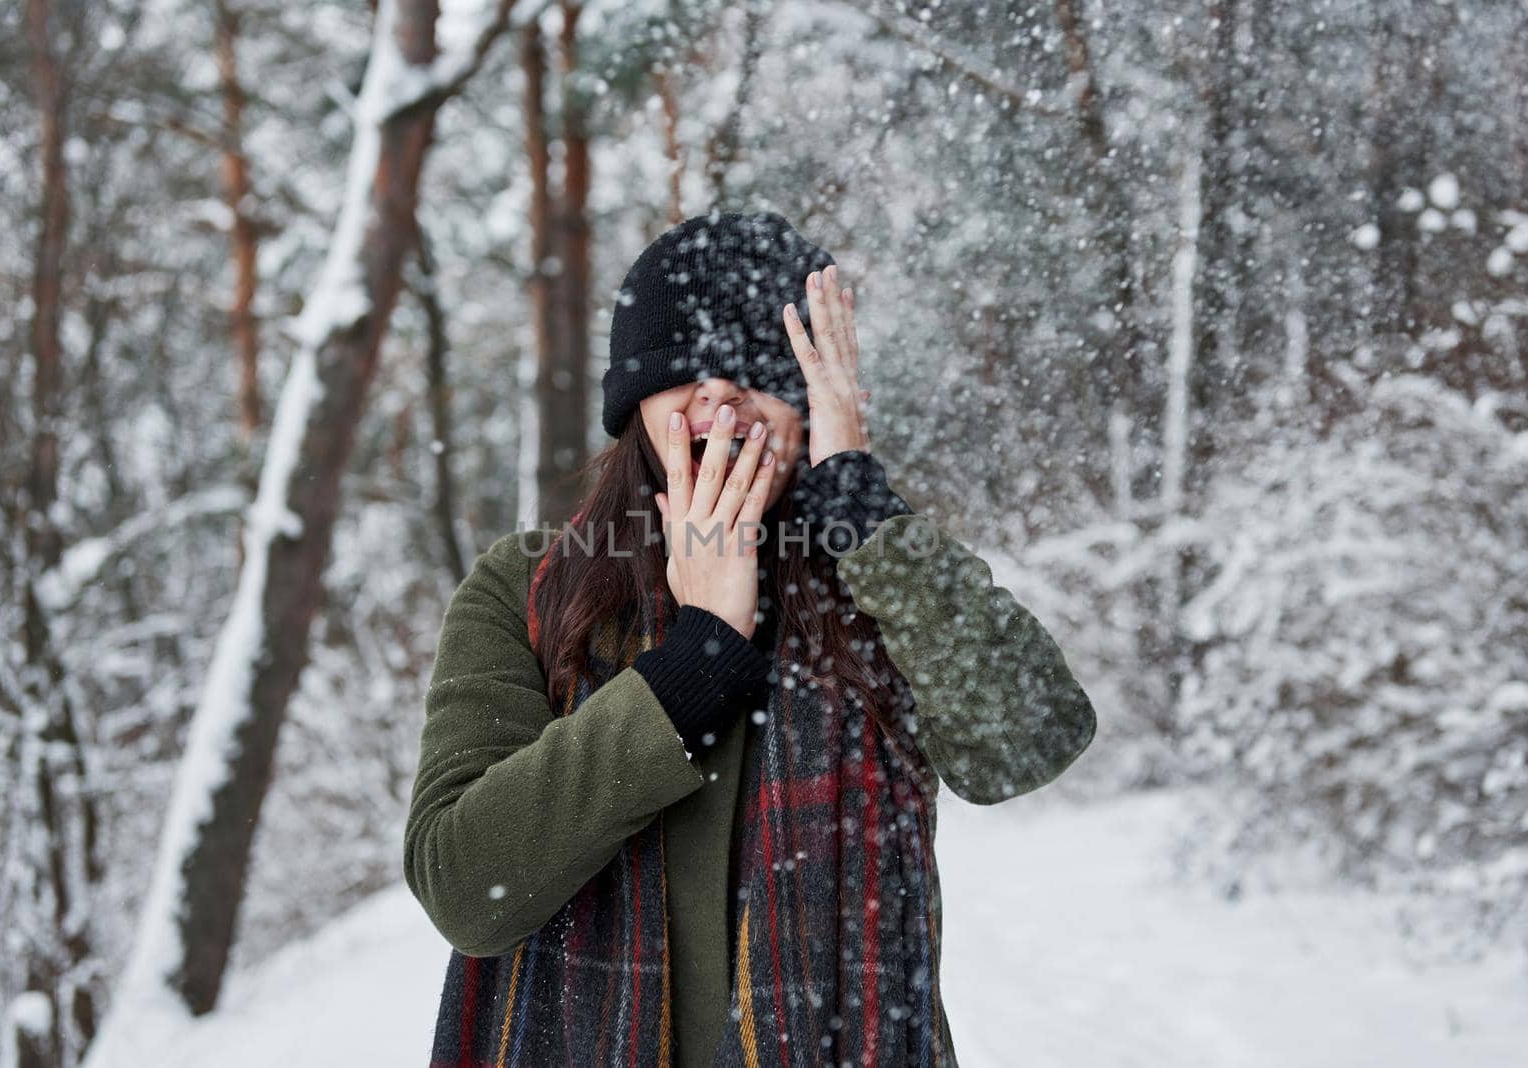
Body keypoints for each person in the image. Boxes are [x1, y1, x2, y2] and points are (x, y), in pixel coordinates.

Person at [402, 209, 1097, 1068]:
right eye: (685, 369)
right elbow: (468, 890)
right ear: (636, 405)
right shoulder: (530, 590)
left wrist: (861, 509)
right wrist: (694, 659)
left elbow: (1027, 743)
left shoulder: (880, 582)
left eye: (756, 368)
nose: (718, 395)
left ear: (817, 396)